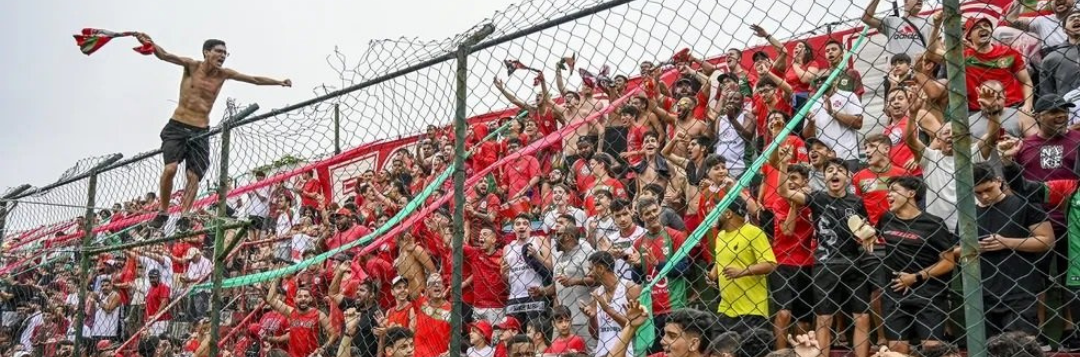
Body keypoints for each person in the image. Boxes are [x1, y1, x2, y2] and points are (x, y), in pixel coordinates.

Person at [134, 34, 292, 231]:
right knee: (170, 169)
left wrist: (279, 82)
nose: (223, 55)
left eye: (225, 53)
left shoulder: (223, 74)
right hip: (177, 126)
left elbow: (253, 79)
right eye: (218, 51)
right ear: (206, 52)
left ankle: (185, 215)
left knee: (194, 176)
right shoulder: (191, 66)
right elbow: (165, 55)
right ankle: (163, 212)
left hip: (201, 131)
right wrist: (149, 43)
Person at [875, 176, 957, 354]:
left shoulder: (933, 224)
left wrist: (915, 277)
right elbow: (875, 238)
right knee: (896, 349)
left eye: (894, 190)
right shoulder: (886, 218)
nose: (888, 195)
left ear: (911, 193)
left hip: (929, 295)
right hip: (895, 294)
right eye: (888, 191)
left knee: (932, 349)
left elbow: (949, 262)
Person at [709, 196, 777, 334]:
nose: (713, 213)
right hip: (726, 308)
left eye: (718, 210)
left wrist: (742, 271)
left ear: (728, 214)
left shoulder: (753, 232)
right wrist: (712, 274)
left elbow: (770, 264)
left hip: (751, 309)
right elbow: (721, 259)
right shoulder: (721, 236)